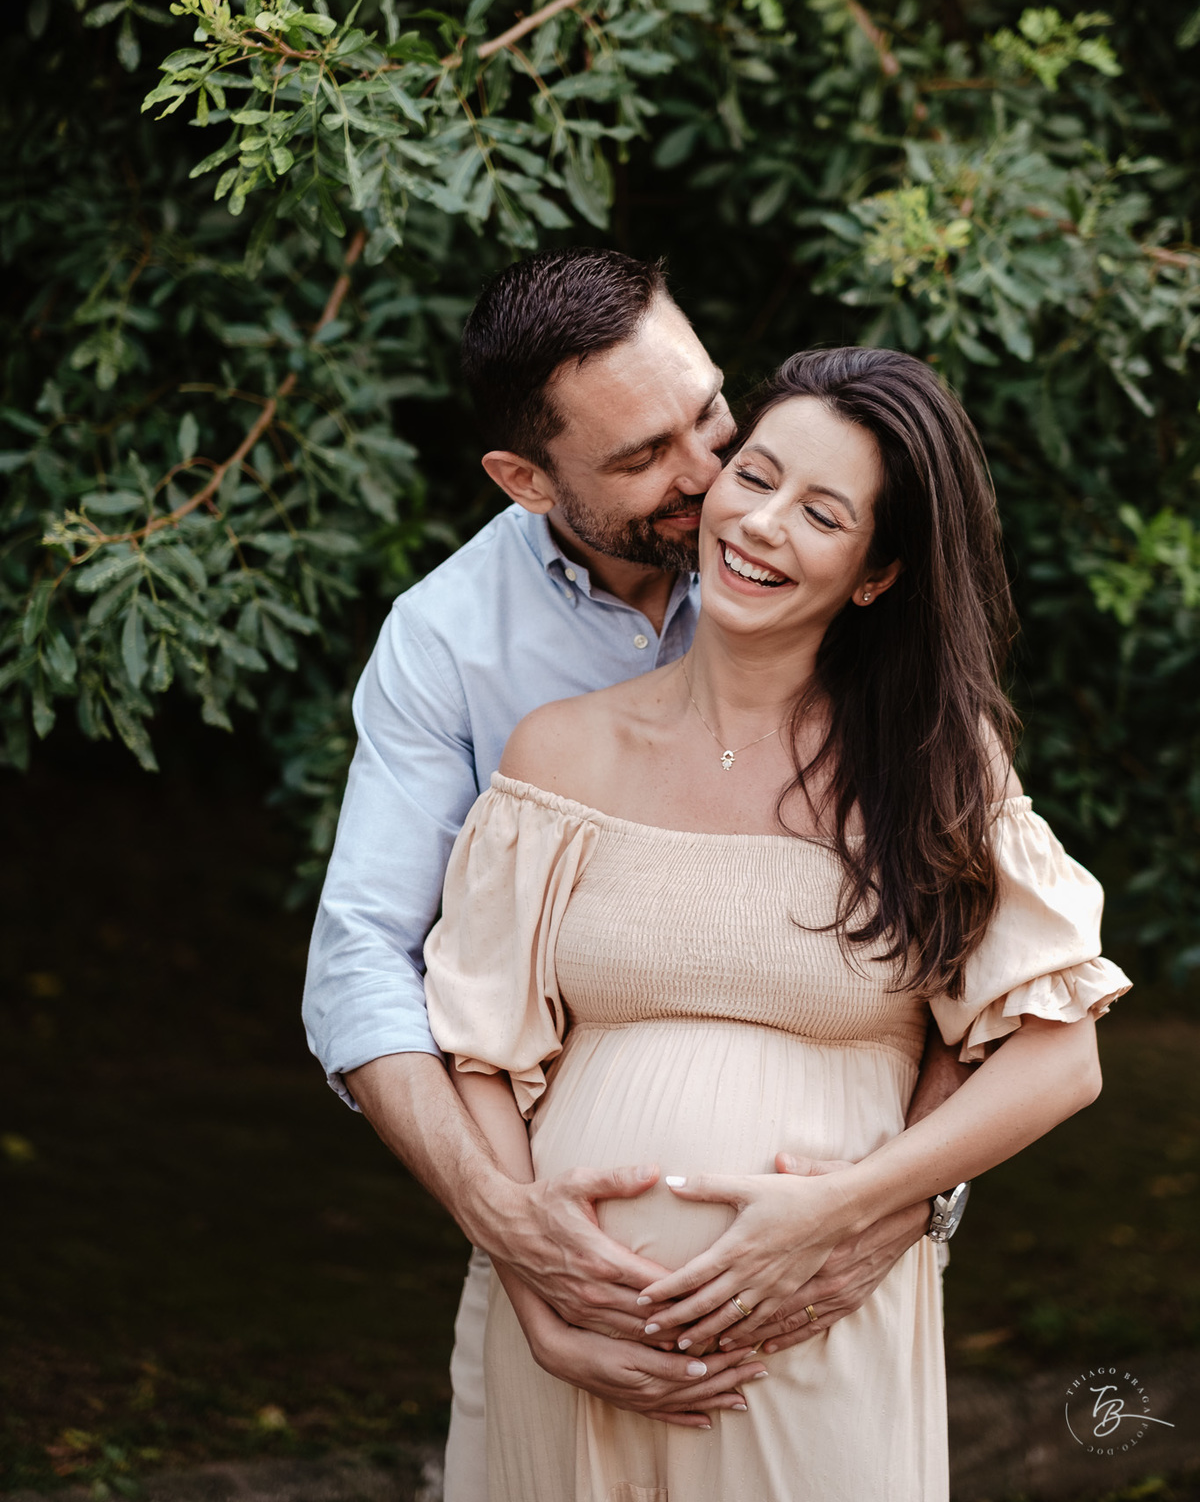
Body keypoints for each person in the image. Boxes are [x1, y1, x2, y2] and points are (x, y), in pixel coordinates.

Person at [302, 254, 968, 1500]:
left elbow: (981, 969)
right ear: (524, 479)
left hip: (828, 1309)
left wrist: (895, 1214)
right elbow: (365, 967)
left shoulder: (846, 585)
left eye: (710, 411)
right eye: (644, 457)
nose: (719, 478)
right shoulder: (450, 645)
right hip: (561, 1313)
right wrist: (520, 1250)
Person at [424, 345, 1131, 1501]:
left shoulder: (930, 771)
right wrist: (533, 1265)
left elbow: (1061, 1061)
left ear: (875, 572)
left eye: (822, 512)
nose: (760, 526)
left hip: (809, 1333)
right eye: (755, 477)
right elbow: (479, 1047)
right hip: (565, 1337)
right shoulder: (557, 753)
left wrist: (852, 1211)